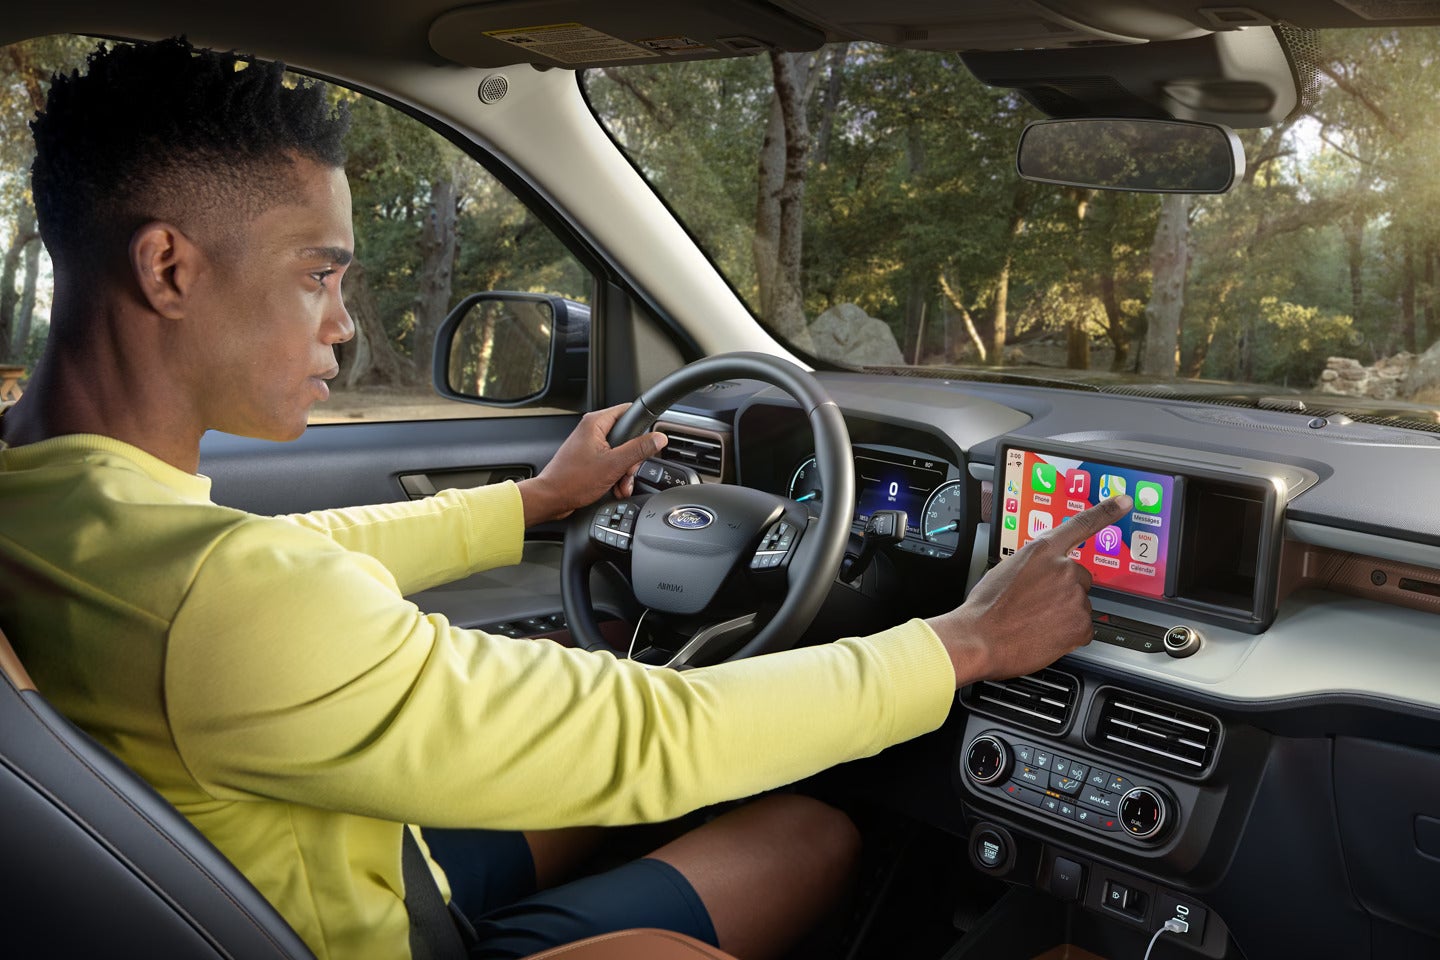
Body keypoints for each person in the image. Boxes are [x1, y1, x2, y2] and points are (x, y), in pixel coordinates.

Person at [0, 37, 1130, 960]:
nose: (342, 322)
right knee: (807, 841)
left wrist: (534, 499)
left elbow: (294, 548)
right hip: (348, 930)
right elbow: (658, 734)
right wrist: (967, 642)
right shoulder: (231, 604)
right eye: (319, 272)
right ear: (168, 270)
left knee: (770, 828)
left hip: (316, 861)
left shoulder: (56, 497)